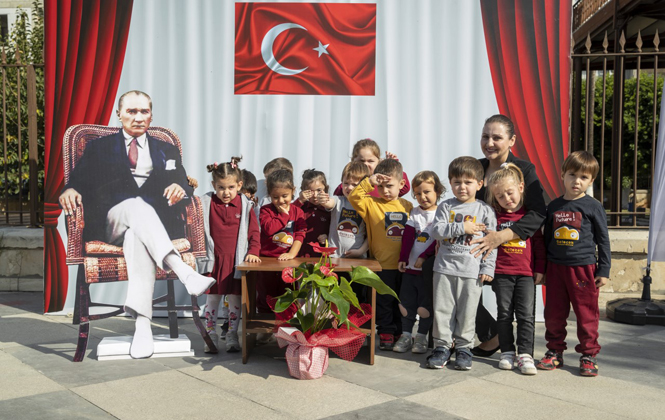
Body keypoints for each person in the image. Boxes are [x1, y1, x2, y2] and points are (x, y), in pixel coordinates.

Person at [59, 90, 214, 359]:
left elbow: (182, 182)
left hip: (151, 230)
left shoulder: (167, 149)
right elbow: (77, 180)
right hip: (111, 223)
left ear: (151, 115)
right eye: (131, 111)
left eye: (144, 112)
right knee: (134, 205)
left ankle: (143, 327)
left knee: (136, 238)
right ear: (119, 115)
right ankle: (183, 270)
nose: (138, 117)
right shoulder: (99, 148)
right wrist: (68, 190)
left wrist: (179, 186)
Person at [467, 114, 548, 357]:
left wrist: (501, 237)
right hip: (477, 246)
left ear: (512, 140)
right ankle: (490, 334)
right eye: (485, 136)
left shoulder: (524, 169)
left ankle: (518, 350)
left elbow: (538, 212)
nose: (489, 142)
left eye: (497, 137)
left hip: (512, 252)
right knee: (437, 271)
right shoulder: (475, 168)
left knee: (518, 310)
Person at [537, 151, 610, 377]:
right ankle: (554, 352)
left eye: (583, 177)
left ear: (591, 181)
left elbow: (603, 239)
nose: (576, 181)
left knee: (586, 314)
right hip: (556, 269)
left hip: (584, 269)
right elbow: (547, 238)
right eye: (572, 175)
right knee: (554, 314)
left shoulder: (593, 206)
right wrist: (545, 269)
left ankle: (588, 355)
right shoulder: (554, 206)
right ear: (562, 175)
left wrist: (604, 270)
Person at [426, 156, 497, 370]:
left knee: (467, 312)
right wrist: (461, 228)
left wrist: (488, 267)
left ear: (479, 183)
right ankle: (442, 347)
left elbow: (491, 243)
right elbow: (436, 231)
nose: (462, 187)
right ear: (450, 183)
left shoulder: (485, 211)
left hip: (472, 272)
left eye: (468, 182)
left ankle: (465, 348)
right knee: (443, 310)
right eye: (457, 182)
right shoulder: (446, 207)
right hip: (444, 269)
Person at [485, 163, 546, 375]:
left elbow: (538, 244)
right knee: (503, 314)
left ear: (521, 188)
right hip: (501, 274)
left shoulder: (529, 218)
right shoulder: (494, 218)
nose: (507, 199)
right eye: (500, 196)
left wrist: (540, 268)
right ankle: (507, 352)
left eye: (510, 193)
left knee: (526, 315)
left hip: (526, 275)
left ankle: (525, 354)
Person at [348, 159, 413, 350]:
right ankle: (385, 331)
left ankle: (402, 331)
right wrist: (370, 180)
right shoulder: (371, 204)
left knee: (402, 302)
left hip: (403, 266)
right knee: (383, 302)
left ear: (401, 184)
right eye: (381, 186)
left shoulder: (408, 206)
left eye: (390, 186)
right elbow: (354, 196)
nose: (385, 191)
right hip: (381, 266)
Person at [198, 157, 261, 353]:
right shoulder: (205, 203)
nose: (226, 192)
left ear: (239, 185)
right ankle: (211, 336)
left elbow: (254, 233)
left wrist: (253, 252)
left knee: (235, 298)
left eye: (231, 187)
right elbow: (195, 227)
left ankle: (232, 334)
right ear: (213, 185)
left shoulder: (245, 205)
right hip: (214, 261)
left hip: (236, 261)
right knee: (213, 298)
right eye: (221, 187)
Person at [394, 171, 444, 354]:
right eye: (418, 193)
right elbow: (407, 238)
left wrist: (425, 257)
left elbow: (439, 241)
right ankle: (406, 336)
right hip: (409, 270)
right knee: (406, 305)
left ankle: (421, 337)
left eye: (427, 192)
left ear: (437, 191)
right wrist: (403, 258)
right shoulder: (413, 213)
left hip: (428, 271)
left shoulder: (442, 212)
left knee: (425, 307)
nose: (423, 197)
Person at [257, 169, 307, 315]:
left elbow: (300, 235)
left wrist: (291, 254)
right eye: (275, 197)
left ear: (293, 191)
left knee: (289, 295)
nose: (280, 201)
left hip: (287, 262)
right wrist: (283, 217)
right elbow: (269, 229)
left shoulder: (298, 212)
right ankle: (264, 331)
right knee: (266, 295)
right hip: (266, 261)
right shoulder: (266, 210)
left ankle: (287, 331)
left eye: (285, 196)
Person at [320, 161, 370, 258]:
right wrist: (323, 200)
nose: (349, 187)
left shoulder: (367, 206)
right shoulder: (338, 200)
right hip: (333, 257)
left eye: (355, 185)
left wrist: (360, 251)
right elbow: (329, 203)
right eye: (346, 183)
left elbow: (372, 236)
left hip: (357, 258)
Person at [333, 139, 410, 198]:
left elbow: (404, 188)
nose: (366, 164)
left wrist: (392, 166)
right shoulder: (347, 185)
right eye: (361, 161)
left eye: (370, 161)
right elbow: (336, 203)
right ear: (353, 160)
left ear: (378, 162)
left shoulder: (381, 183)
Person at [292, 169, 332, 257]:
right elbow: (288, 215)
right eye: (310, 191)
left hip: (321, 256)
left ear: (326, 188)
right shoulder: (301, 207)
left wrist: (328, 236)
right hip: (301, 254)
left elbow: (336, 229)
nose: (315, 195)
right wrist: (300, 200)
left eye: (319, 190)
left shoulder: (329, 209)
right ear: (303, 191)